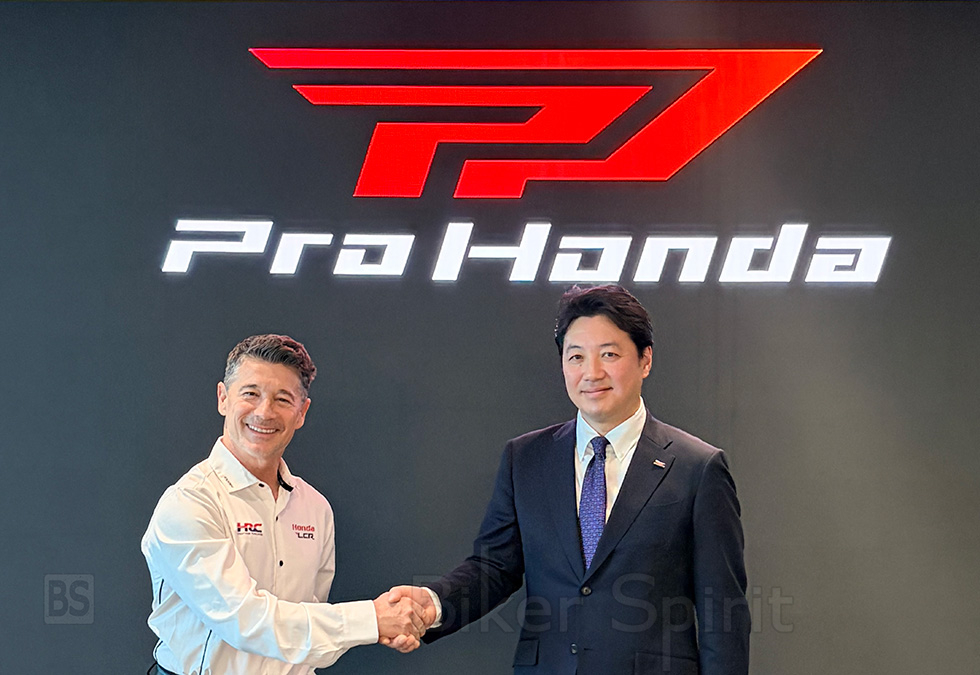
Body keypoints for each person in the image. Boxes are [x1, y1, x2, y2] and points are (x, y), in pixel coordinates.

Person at [391, 285, 750, 674]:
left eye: (609, 354)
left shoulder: (697, 467)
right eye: (576, 356)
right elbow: (494, 567)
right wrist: (434, 603)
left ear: (645, 360)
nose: (592, 373)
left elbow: (722, 612)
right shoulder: (525, 458)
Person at [141, 334, 427, 675]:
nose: (264, 412)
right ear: (223, 398)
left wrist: (380, 626)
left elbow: (310, 638)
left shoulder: (315, 508)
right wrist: (372, 621)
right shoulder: (190, 502)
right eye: (250, 393)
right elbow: (245, 621)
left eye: (282, 399)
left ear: (301, 412)